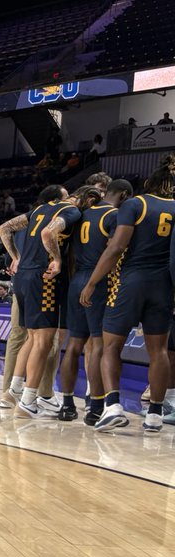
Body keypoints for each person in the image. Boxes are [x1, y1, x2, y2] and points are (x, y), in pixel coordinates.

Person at [80, 155, 175, 432]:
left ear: (149, 182)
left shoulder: (135, 203)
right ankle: (155, 414)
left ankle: (112, 406)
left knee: (110, 347)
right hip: (163, 286)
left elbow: (116, 248)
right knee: (159, 352)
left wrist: (92, 282)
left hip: (130, 282)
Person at [0, 186, 82, 416]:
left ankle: (13, 392)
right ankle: (29, 401)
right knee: (44, 339)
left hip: (22, 276)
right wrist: (56, 259)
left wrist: (16, 257)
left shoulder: (38, 210)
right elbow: (48, 233)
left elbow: (4, 229)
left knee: (31, 337)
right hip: (43, 278)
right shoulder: (70, 211)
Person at [57, 181, 130, 424]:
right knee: (99, 345)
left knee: (74, 345)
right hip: (98, 281)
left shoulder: (82, 214)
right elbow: (115, 250)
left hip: (76, 278)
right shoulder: (115, 215)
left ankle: (67, 405)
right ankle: (96, 407)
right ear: (124, 195)